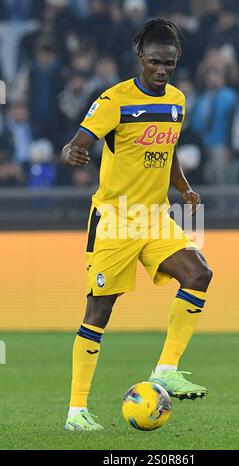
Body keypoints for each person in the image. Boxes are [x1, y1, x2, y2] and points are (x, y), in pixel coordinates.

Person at [61, 18, 213, 431]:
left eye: (170, 63)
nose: (162, 70)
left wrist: (184, 189)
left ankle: (165, 369)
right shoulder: (114, 100)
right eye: (156, 62)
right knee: (99, 310)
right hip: (113, 220)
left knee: (199, 273)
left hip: (155, 217)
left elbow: (169, 150)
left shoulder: (178, 101)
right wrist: (72, 153)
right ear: (140, 58)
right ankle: (77, 411)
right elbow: (76, 144)